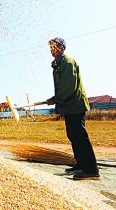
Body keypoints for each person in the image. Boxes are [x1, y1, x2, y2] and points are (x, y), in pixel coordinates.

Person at [46, 37, 100, 180]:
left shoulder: (68, 63)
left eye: (56, 46)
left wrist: (55, 99)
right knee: (73, 135)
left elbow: (68, 87)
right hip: (68, 106)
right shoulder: (57, 64)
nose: (53, 49)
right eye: (51, 47)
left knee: (80, 136)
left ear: (63, 47)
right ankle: (81, 164)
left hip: (75, 104)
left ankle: (91, 169)